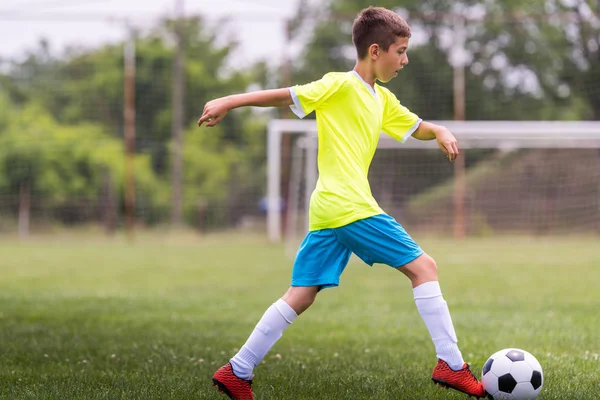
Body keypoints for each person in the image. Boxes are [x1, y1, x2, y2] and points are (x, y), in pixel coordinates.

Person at [198, 6, 486, 400]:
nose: (404, 59)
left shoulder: (380, 98)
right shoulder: (340, 85)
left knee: (301, 294)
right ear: (374, 51)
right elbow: (287, 96)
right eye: (399, 51)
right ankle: (452, 366)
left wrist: (439, 130)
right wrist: (230, 100)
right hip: (351, 207)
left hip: (328, 210)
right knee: (425, 268)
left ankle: (237, 371)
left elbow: (415, 127)